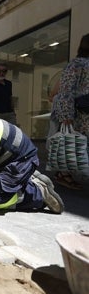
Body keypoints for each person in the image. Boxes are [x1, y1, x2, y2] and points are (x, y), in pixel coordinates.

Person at [54, 33, 89, 183]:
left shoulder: (76, 64)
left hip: (82, 112)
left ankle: (64, 172)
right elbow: (66, 91)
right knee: (75, 143)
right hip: (81, 113)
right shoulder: (77, 64)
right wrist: (66, 115)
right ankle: (63, 172)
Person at [46, 81, 82, 190]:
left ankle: (63, 173)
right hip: (66, 115)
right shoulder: (70, 74)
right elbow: (52, 96)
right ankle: (63, 174)